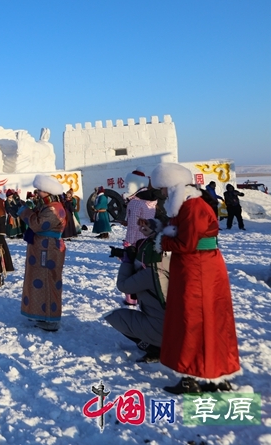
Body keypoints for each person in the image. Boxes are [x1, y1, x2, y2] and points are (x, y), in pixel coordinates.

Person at [150, 163, 240, 394]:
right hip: (198, 267)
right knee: (205, 320)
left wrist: (162, 241)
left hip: (198, 270)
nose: (161, 193)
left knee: (194, 320)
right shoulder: (189, 205)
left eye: (162, 188)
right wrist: (161, 228)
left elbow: (186, 243)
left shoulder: (192, 206)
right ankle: (210, 374)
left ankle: (198, 374)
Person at [103, 231, 170, 363]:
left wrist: (127, 262)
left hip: (164, 330)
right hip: (181, 329)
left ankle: (154, 348)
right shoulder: (173, 265)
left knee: (117, 317)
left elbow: (123, 286)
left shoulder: (151, 272)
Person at [18, 174, 67, 331]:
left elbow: (37, 224)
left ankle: (50, 319)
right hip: (42, 249)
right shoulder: (49, 206)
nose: (37, 193)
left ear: (48, 191)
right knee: (40, 280)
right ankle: (42, 314)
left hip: (48, 250)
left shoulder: (53, 209)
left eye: (40, 190)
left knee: (47, 281)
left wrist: (24, 212)